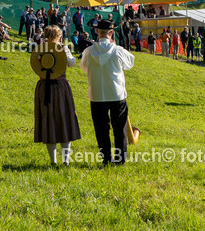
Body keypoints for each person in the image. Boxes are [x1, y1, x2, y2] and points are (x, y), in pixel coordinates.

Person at [81, 19, 136, 165]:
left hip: (97, 94)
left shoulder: (88, 51)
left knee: (101, 129)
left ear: (97, 32)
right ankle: (119, 159)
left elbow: (84, 67)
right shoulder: (117, 51)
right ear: (111, 33)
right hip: (116, 93)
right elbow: (130, 64)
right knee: (119, 128)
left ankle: (106, 158)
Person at [33, 25, 82, 166]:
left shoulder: (40, 49)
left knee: (48, 120)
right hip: (60, 87)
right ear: (57, 36)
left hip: (43, 86)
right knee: (64, 119)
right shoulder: (62, 48)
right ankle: (65, 160)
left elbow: (36, 68)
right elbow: (71, 63)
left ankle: (53, 161)